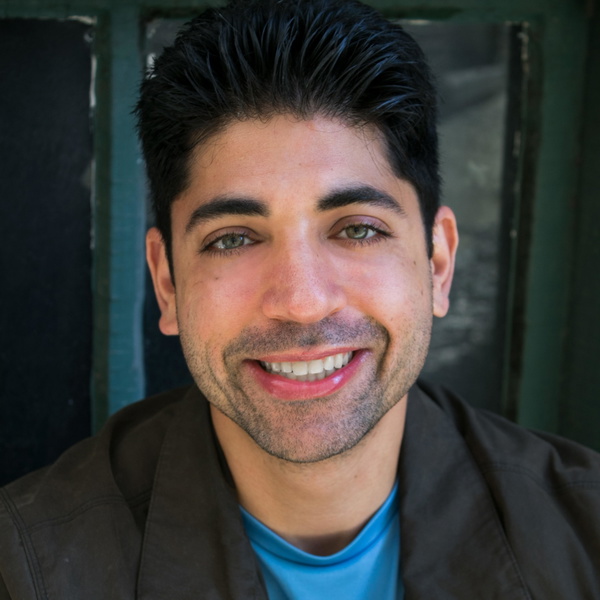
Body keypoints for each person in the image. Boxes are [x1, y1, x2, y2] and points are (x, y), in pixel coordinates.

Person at [1, 0, 599, 598]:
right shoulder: (28, 570)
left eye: (357, 229)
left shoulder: (586, 537)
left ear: (437, 263)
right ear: (167, 283)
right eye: (232, 238)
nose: (303, 301)